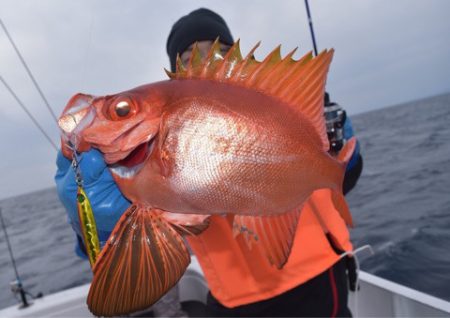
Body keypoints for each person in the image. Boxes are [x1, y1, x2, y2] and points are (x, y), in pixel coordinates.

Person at [55, 8, 363, 317]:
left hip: (323, 278)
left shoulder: (281, 109)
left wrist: (340, 160)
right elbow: (128, 248)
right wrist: (90, 226)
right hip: (235, 300)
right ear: (177, 71)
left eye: (219, 50)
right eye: (189, 55)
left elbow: (339, 180)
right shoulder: (139, 153)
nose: (204, 60)